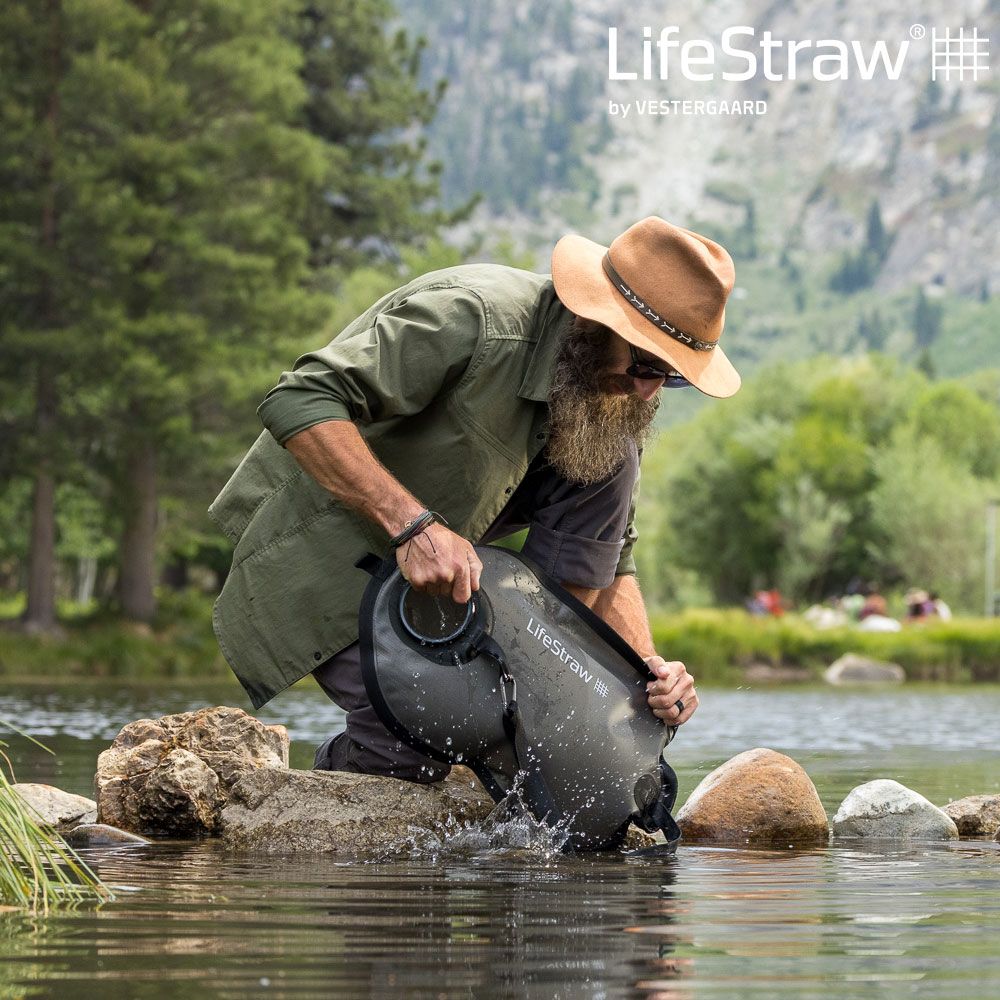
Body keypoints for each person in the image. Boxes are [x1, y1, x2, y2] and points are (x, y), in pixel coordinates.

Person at [208, 216, 741, 782]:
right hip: (317, 534)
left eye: (671, 376)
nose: (647, 389)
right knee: (430, 737)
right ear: (594, 319)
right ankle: (301, 797)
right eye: (643, 364)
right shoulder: (470, 319)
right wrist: (411, 526)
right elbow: (299, 398)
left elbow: (612, 559)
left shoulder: (608, 406)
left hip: (437, 583)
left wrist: (644, 674)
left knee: (552, 743)